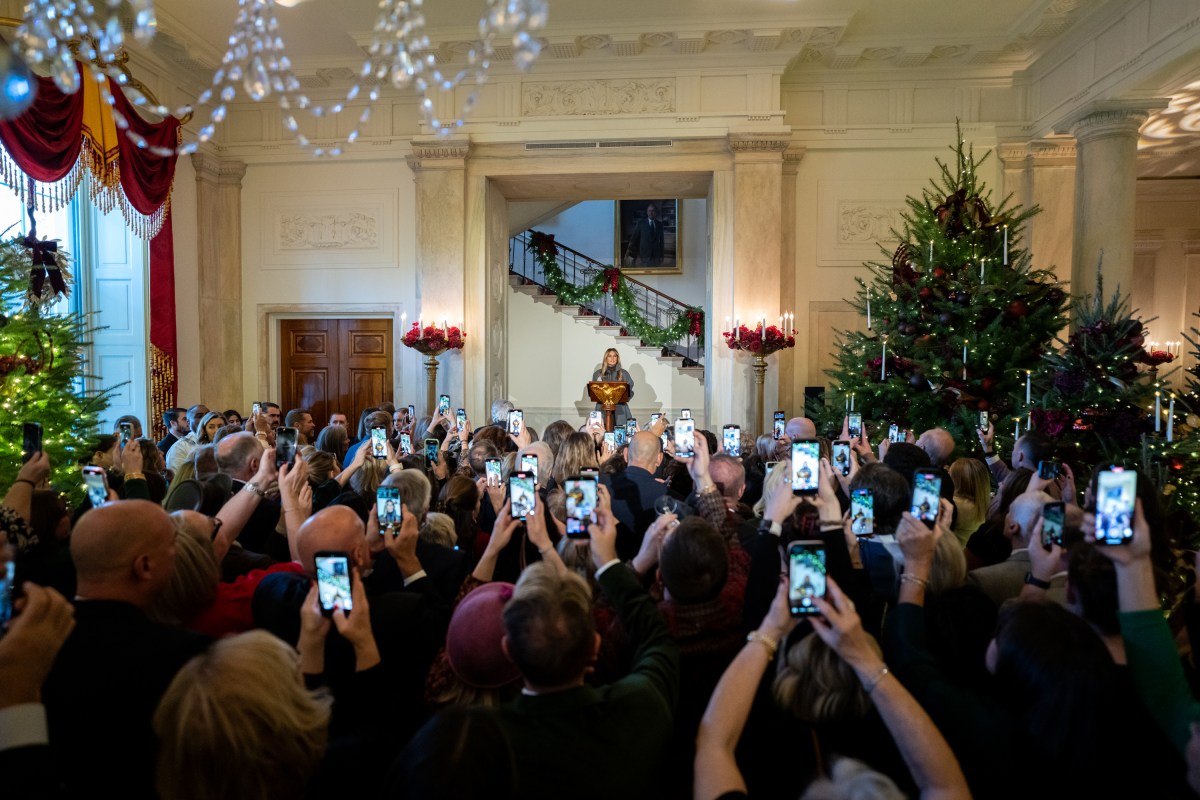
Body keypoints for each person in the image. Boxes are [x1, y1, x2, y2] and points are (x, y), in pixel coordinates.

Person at [591, 347, 634, 429]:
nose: (612, 358)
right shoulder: (598, 374)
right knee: (603, 434)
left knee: (619, 435)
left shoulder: (624, 374)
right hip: (602, 408)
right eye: (610, 356)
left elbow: (630, 391)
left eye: (615, 356)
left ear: (617, 358)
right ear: (605, 358)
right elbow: (593, 391)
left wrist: (624, 397)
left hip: (620, 409)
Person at [624, 202, 665, 267]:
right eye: (649, 211)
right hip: (643, 255)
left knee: (655, 274)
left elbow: (662, 242)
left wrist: (662, 256)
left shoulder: (660, 224)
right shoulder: (640, 223)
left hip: (656, 255)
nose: (651, 213)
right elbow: (634, 239)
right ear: (647, 212)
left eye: (653, 211)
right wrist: (629, 253)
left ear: (656, 212)